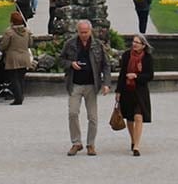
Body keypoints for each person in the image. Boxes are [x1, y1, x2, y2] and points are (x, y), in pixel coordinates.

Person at [60, 20, 112, 156]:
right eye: (81, 32)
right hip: (75, 84)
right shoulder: (70, 44)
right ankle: (76, 143)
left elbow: (106, 65)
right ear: (77, 31)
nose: (84, 35)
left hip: (91, 85)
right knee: (72, 113)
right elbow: (60, 60)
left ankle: (91, 144)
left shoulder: (97, 45)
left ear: (90, 31)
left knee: (93, 117)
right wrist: (71, 64)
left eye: (86, 32)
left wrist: (106, 83)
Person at [116, 33, 155, 156]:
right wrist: (118, 91)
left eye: (137, 42)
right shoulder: (127, 55)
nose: (134, 44)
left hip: (140, 91)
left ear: (143, 45)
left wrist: (136, 76)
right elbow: (122, 74)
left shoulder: (147, 58)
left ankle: (137, 146)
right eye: (133, 41)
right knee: (130, 117)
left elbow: (150, 76)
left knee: (139, 116)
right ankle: (133, 140)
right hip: (127, 90)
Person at [0, 11, 33, 105]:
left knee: (14, 78)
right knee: (21, 78)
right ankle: (21, 95)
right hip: (24, 56)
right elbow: (30, 44)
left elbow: (4, 45)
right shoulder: (27, 31)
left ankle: (18, 99)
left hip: (13, 58)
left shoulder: (9, 32)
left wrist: (2, 49)